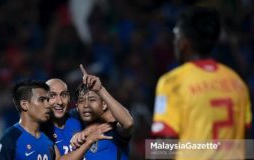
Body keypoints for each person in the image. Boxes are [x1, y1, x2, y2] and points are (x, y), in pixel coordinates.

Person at [151, 6, 252, 159]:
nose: (174, 41)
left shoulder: (173, 82)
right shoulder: (237, 83)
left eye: (176, 34)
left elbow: (165, 143)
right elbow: (247, 143)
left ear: (184, 42)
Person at [0, 79, 112, 160]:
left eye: (47, 100)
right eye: (42, 100)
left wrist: (88, 139)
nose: (48, 104)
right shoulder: (10, 138)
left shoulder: (47, 139)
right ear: (24, 105)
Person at [72, 64, 134, 160]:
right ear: (76, 106)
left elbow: (128, 123)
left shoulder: (113, 130)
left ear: (104, 105)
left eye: (92, 100)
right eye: (81, 101)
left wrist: (100, 89)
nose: (85, 105)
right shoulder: (72, 125)